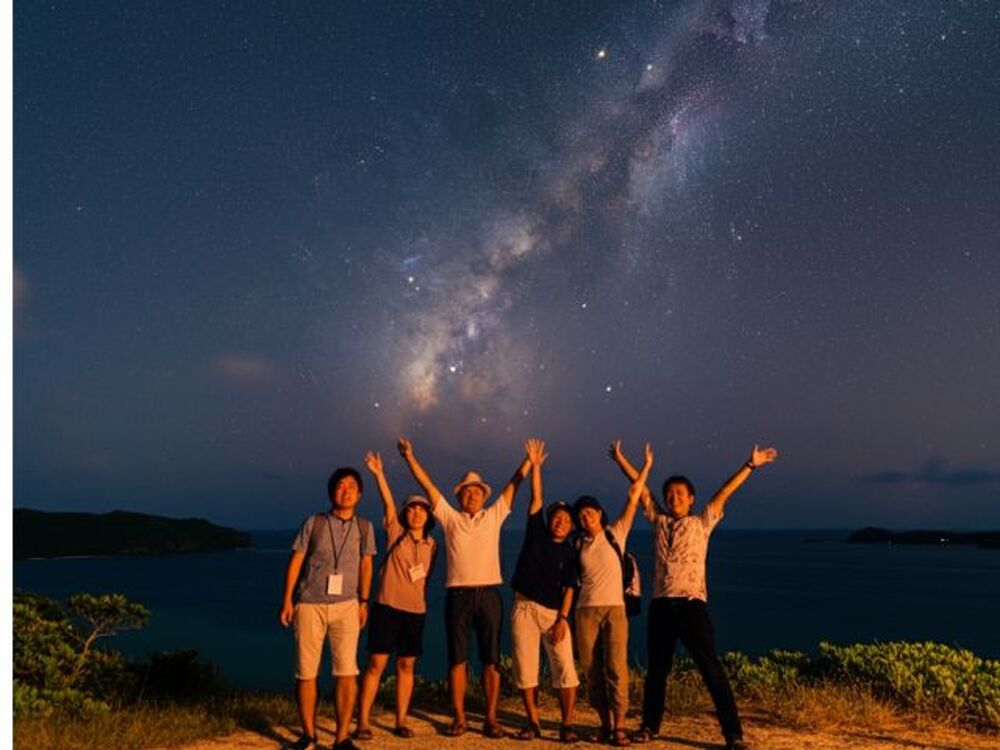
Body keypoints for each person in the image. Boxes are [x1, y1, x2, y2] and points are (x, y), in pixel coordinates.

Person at [609, 441, 779, 750]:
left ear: (691, 499)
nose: (673, 498)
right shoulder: (659, 520)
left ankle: (733, 735)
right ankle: (649, 727)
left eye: (680, 494)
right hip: (661, 606)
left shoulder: (702, 522)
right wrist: (621, 459)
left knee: (711, 670)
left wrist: (750, 464)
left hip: (692, 607)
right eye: (669, 494)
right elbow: (640, 488)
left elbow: (725, 492)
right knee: (656, 672)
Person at [398, 436, 531, 738]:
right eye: (467, 491)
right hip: (457, 596)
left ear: (484, 496)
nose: (472, 495)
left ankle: (491, 718)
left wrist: (529, 462)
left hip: (489, 595)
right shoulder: (449, 518)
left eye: (477, 491)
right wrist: (409, 457)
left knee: (491, 660)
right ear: (459, 496)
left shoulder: (493, 516)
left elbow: (514, 485)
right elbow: (427, 485)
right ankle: (459, 718)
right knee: (457, 660)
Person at [279, 467, 377, 750]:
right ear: (332, 491)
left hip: (347, 605)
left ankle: (342, 738)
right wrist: (287, 600)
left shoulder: (364, 527)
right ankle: (308, 736)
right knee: (306, 672)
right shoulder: (314, 522)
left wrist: (364, 601)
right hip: (309, 604)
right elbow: (296, 560)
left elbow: (366, 565)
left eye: (352, 486)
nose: (346, 491)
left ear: (359, 494)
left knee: (347, 672)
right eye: (340, 485)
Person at [574, 443, 654, 748]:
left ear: (599, 513)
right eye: (581, 514)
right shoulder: (577, 544)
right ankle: (605, 724)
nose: (586, 517)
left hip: (615, 609)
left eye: (590, 512)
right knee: (591, 670)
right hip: (585, 611)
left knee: (616, 668)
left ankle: (620, 725)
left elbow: (635, 495)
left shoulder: (615, 532)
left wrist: (642, 465)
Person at [354, 450, 438, 740]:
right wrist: (379, 474)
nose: (416, 512)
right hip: (386, 608)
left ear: (428, 515)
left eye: (422, 509)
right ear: (405, 513)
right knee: (376, 665)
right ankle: (363, 722)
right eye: (411, 508)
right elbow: (388, 502)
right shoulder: (395, 532)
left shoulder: (432, 545)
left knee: (406, 665)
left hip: (415, 612)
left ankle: (401, 720)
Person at [509, 439, 580, 743]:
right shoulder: (536, 531)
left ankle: (567, 724)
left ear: (571, 526)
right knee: (526, 669)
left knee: (565, 668)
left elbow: (570, 587)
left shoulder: (570, 553)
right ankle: (533, 723)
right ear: (549, 520)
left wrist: (563, 618)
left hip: (553, 615)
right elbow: (536, 497)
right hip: (524, 607)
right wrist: (536, 466)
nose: (561, 522)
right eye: (557, 517)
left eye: (566, 520)